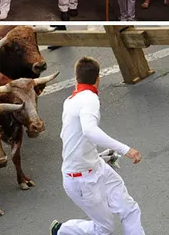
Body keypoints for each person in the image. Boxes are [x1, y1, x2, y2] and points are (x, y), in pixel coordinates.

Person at [50, 56, 144, 235]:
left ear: (76, 77)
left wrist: (99, 156)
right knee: (104, 229)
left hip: (96, 168)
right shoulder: (89, 99)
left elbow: (75, 139)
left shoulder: (71, 100)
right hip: (82, 180)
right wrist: (126, 150)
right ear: (98, 78)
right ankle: (63, 230)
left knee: (129, 208)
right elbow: (89, 131)